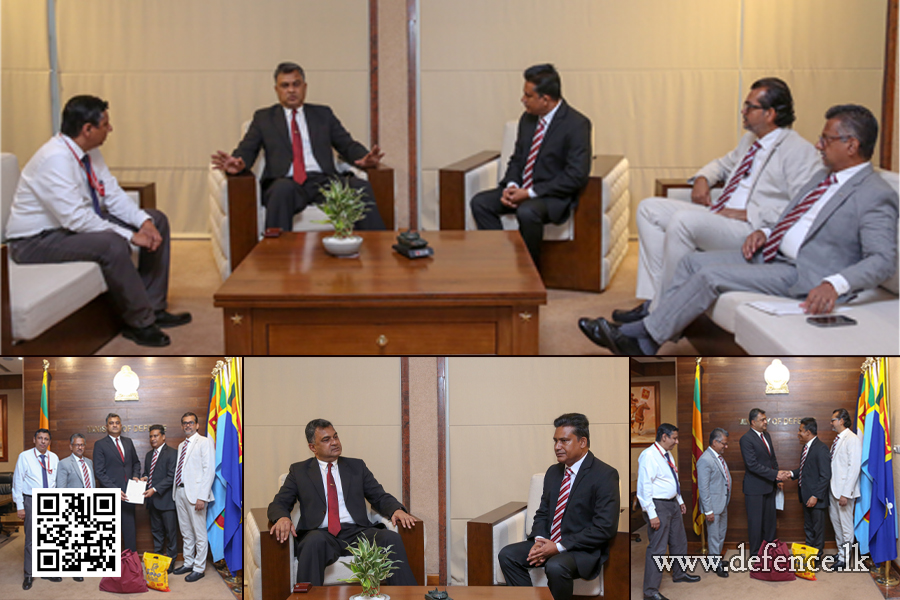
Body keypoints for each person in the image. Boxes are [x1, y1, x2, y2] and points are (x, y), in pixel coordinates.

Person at [578, 104, 898, 355]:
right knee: (690, 262)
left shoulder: (875, 194)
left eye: (826, 139)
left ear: (851, 145)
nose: (818, 145)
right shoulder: (823, 177)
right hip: (772, 254)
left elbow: (883, 259)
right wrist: (767, 233)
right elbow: (795, 217)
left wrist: (834, 284)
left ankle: (643, 338)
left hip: (805, 272)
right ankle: (647, 334)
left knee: (710, 276)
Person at [606, 78, 821, 324]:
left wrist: (751, 214)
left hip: (751, 230)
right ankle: (656, 299)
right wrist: (702, 179)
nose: (743, 111)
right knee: (648, 209)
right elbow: (722, 165)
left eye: (750, 107)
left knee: (684, 221)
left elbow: (804, 205)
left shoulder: (798, 151)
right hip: (723, 216)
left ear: (770, 114)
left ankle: (660, 313)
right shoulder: (750, 141)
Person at [5, 95, 191, 347]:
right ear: (87, 129)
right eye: (105, 124)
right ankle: (140, 323)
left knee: (157, 220)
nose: (110, 129)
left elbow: (112, 194)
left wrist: (144, 222)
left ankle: (154, 307)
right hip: (35, 240)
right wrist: (131, 236)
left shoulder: (88, 152)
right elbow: (77, 220)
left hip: (68, 227)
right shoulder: (54, 159)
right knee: (112, 244)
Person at [211, 62, 386, 232]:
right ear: (277, 90)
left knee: (360, 187)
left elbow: (347, 144)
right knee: (281, 190)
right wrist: (238, 163)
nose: (291, 90)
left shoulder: (323, 114)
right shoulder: (264, 118)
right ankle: (276, 250)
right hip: (285, 182)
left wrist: (364, 158)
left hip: (323, 181)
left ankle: (377, 247)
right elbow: (247, 148)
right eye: (285, 85)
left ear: (304, 87)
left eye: (296, 84)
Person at [267, 418, 418, 587]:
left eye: (335, 436)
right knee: (312, 543)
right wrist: (282, 517)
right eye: (326, 439)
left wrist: (396, 509)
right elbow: (279, 503)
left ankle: (409, 596)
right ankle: (307, 598)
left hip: (357, 532)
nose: (334, 442)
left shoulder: (357, 467)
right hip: (320, 534)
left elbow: (379, 496)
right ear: (312, 447)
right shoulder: (299, 471)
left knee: (391, 538)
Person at [470, 64, 591, 270]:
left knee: (527, 212)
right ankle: (501, 265)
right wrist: (512, 185)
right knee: (480, 203)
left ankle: (528, 274)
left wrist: (529, 193)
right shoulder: (527, 119)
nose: (523, 100)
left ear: (545, 99)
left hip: (551, 195)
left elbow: (576, 175)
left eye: (528, 95)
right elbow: (518, 159)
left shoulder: (577, 124)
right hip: (522, 189)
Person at [498, 413, 620, 600]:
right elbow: (543, 512)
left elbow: (604, 527)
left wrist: (559, 547)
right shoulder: (553, 472)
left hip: (581, 549)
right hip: (549, 542)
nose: (557, 447)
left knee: (555, 565)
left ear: (582, 442)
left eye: (564, 441)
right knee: (508, 555)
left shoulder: (605, 475)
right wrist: (540, 540)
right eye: (555, 441)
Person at [637, 423, 699, 600]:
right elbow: (644, 488)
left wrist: (679, 500)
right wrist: (652, 514)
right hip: (658, 506)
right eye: (675, 438)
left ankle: (679, 573)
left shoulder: (667, 454)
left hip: (672, 504)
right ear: (664, 437)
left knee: (679, 541)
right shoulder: (649, 455)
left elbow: (672, 479)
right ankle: (650, 592)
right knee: (657, 548)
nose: (677, 442)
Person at [12, 429, 60, 590]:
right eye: (40, 438)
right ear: (34, 440)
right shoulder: (24, 456)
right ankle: (29, 574)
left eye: (46, 439)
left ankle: (48, 570)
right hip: (31, 500)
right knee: (32, 539)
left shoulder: (54, 457)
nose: (43, 441)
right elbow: (18, 482)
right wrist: (20, 506)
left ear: (49, 442)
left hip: (50, 501)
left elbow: (56, 481)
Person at [738, 409, 789, 559]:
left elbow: (772, 460)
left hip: (769, 487)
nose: (766, 422)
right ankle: (755, 555)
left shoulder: (766, 435)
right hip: (754, 489)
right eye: (762, 420)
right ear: (753, 422)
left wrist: (777, 479)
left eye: (766, 419)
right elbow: (752, 465)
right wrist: (775, 475)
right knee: (755, 524)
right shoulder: (746, 439)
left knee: (770, 523)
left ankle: (770, 553)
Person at [171, 412, 216, 581]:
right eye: (185, 423)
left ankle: (199, 568)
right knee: (186, 532)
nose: (187, 425)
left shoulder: (204, 442)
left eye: (191, 422)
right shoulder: (181, 445)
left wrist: (202, 497)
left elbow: (209, 470)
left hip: (196, 494)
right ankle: (188, 562)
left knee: (199, 533)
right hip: (180, 492)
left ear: (197, 425)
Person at [93, 413, 142, 552]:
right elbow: (99, 472)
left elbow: (136, 463)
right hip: (109, 495)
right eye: (111, 423)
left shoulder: (128, 442)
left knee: (129, 531)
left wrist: (136, 476)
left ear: (121, 425)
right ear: (106, 426)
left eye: (117, 422)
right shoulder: (100, 444)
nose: (114, 425)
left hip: (128, 494)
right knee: (109, 534)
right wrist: (115, 490)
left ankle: (131, 562)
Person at [788, 418, 831, 566]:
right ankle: (809, 555)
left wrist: (815, 496)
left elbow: (825, 476)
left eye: (800, 430)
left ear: (808, 432)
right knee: (809, 528)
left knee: (817, 530)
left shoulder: (821, 448)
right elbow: (805, 470)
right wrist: (790, 474)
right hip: (806, 496)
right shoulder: (806, 447)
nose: (798, 433)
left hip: (816, 499)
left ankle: (816, 558)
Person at [56, 433, 94, 583]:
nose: (80, 447)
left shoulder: (89, 462)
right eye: (77, 444)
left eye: (82, 444)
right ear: (71, 446)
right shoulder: (64, 463)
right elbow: (61, 488)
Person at [141, 424, 179, 573]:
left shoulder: (172, 453)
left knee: (171, 533)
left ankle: (170, 563)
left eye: (156, 435)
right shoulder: (149, 455)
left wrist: (155, 489)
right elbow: (148, 473)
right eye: (151, 436)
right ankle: (158, 560)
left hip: (167, 501)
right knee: (156, 533)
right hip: (152, 502)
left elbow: (171, 477)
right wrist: (144, 478)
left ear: (163, 436)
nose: (153, 439)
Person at [696, 428, 731, 578]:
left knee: (721, 534)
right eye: (724, 443)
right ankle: (715, 564)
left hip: (722, 503)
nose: (726, 446)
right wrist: (708, 510)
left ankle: (714, 559)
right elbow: (703, 488)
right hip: (713, 506)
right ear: (715, 442)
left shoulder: (718, 457)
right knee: (714, 536)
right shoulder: (705, 460)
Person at [828, 408, 861, 569]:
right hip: (833, 490)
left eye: (833, 420)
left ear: (841, 421)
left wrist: (846, 494)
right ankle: (841, 551)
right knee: (837, 524)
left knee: (846, 526)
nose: (831, 423)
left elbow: (853, 468)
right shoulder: (838, 439)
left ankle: (845, 558)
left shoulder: (852, 439)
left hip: (844, 493)